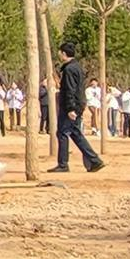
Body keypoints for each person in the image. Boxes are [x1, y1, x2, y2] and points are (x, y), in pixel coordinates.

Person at [49, 45, 105, 174]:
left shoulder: (69, 69)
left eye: (60, 52)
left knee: (63, 133)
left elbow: (70, 90)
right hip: (77, 104)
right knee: (75, 133)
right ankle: (94, 161)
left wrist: (70, 108)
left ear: (63, 53)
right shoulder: (77, 67)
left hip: (71, 106)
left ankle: (63, 164)